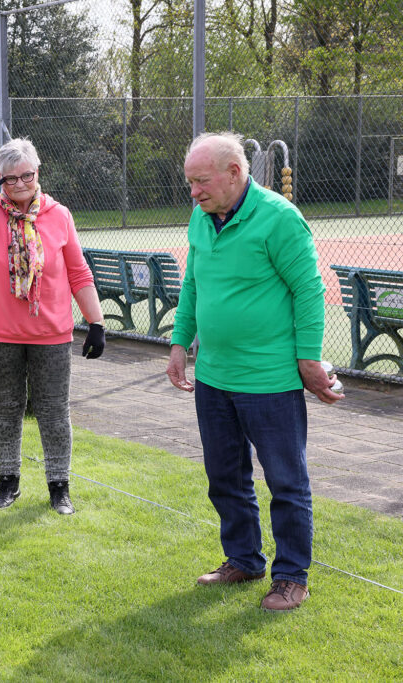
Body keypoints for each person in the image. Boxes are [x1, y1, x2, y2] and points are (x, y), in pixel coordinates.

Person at [167, 131, 342, 611]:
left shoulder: (280, 219)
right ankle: (243, 559)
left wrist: (309, 358)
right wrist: (180, 343)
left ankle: (292, 578)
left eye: (201, 182)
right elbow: (193, 286)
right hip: (214, 377)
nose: (194, 192)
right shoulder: (201, 219)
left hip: (270, 382)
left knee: (286, 481)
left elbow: (309, 290)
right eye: (190, 184)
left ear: (235, 173)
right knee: (224, 476)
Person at [0, 137, 106, 515]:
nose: (20, 184)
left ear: (37, 172)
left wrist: (96, 322)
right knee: (6, 409)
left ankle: (60, 487)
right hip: (0, 332)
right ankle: (7, 484)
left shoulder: (59, 215)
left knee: (54, 412)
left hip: (51, 333)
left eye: (27, 175)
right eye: (10, 179)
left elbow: (78, 271)